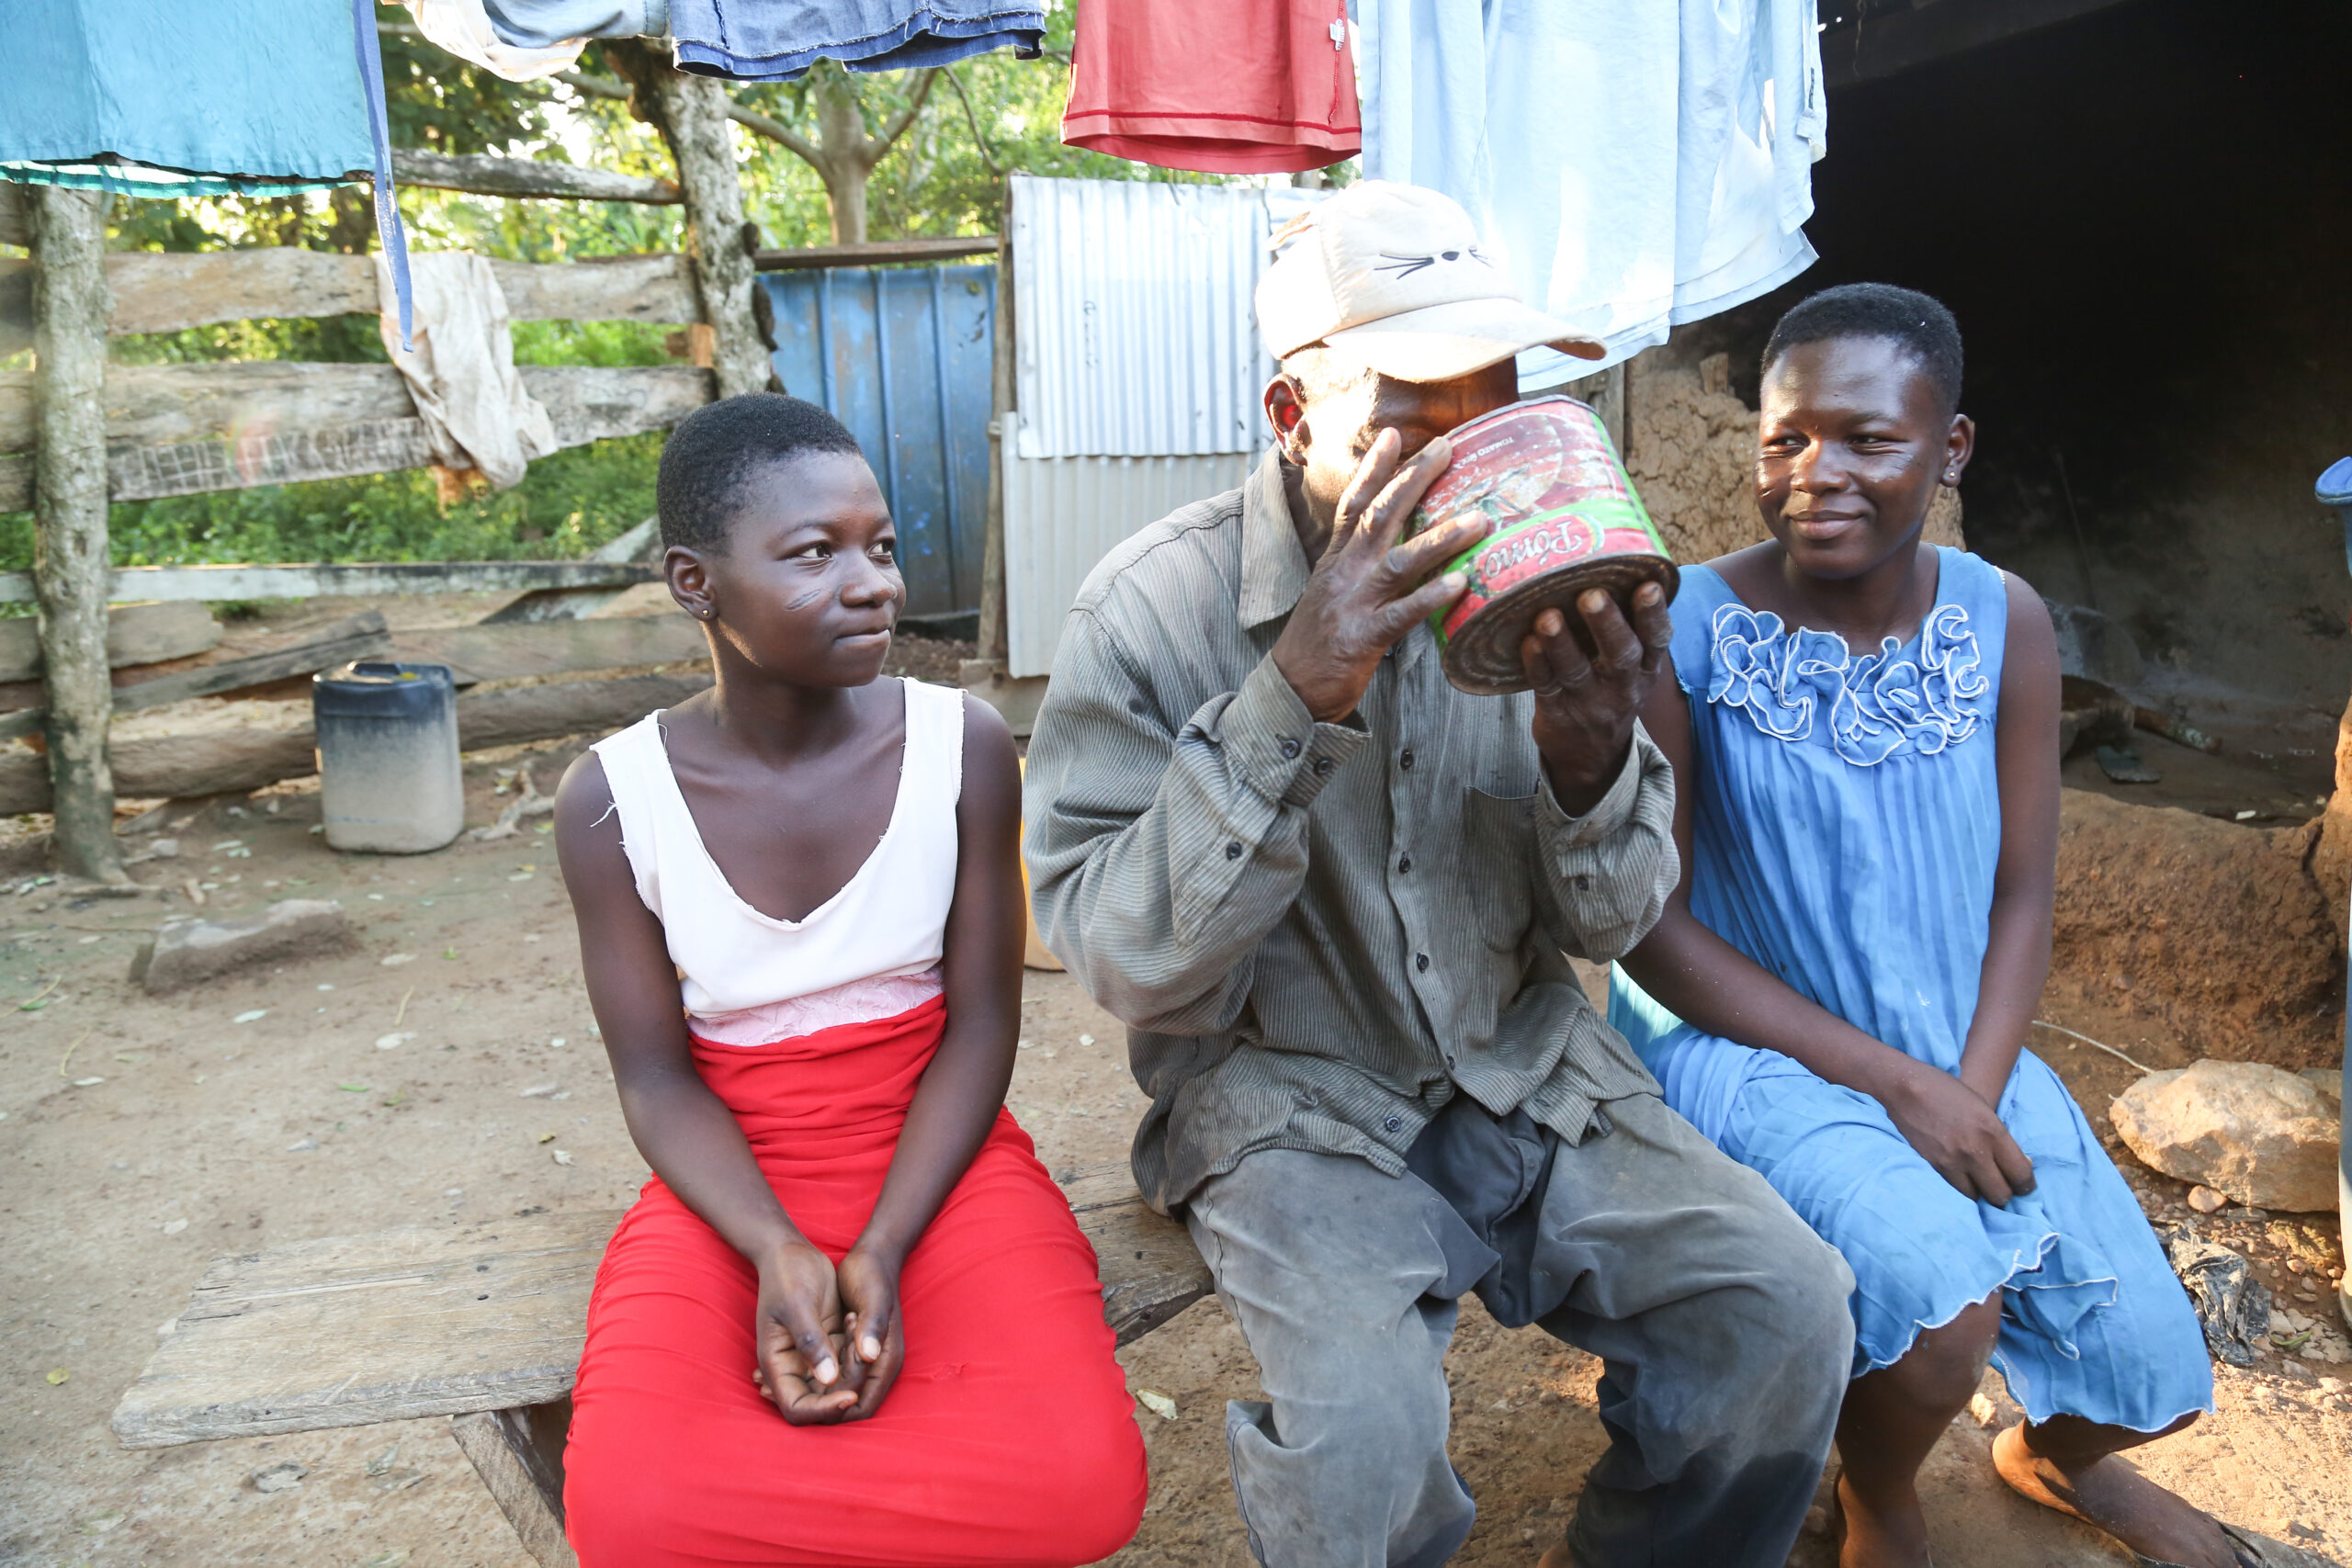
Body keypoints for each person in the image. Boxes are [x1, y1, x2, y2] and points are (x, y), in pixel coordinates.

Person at [1024, 178, 1856, 1568]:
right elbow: (1121, 961)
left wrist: (1597, 762)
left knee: (1783, 1305)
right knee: (1361, 1453)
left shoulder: (1545, 583)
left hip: (1523, 1060)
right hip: (1287, 1099)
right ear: (1296, 416)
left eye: (1496, 396)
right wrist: (1294, 693)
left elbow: (1618, 919)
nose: (1474, 450)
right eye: (1416, 410)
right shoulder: (1150, 612)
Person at [1609, 284, 2233, 1568]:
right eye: (1784, 439)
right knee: (1947, 1309)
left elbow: (2021, 893)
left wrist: (1972, 1086)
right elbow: (1645, 928)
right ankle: (1880, 1484)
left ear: (1949, 449)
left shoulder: (2004, 617)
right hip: (1754, 1042)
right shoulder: (1686, 627)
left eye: (1868, 440)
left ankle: (2044, 1456)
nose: (1813, 475)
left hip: (1956, 1033)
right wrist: (1902, 1088)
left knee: (2154, 1371)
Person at [551, 394, 1147, 1568]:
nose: (871, 582)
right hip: (726, 1179)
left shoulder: (963, 745)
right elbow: (659, 1083)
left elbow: (979, 1029)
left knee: (1082, 1490)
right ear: (694, 581)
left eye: (878, 546)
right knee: (629, 1518)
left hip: (943, 1157)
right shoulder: (612, 799)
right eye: (813, 554)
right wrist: (775, 1247)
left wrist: (881, 1245)